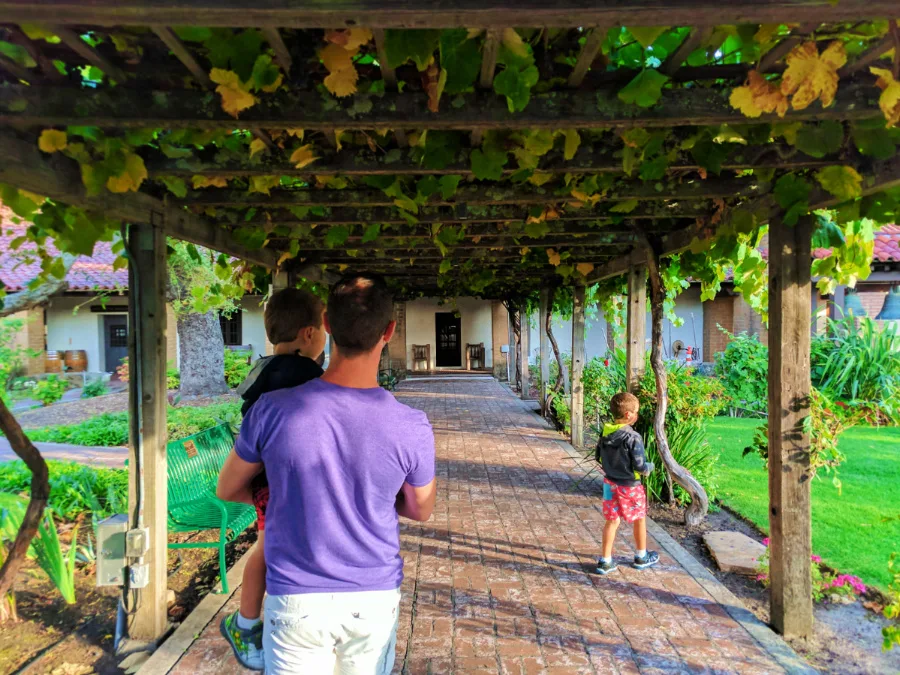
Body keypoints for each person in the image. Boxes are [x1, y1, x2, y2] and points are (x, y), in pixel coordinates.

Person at [217, 273, 437, 675]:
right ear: (389, 331)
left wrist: (289, 493)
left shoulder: (271, 409)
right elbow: (420, 509)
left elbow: (228, 487)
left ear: (329, 327)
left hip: (294, 599)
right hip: (371, 598)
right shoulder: (412, 425)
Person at [217, 287, 328, 671]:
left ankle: (248, 621)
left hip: (263, 477)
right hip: (282, 481)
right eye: (323, 329)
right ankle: (244, 624)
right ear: (310, 334)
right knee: (267, 551)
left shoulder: (264, 369)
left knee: (266, 549)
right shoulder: (305, 375)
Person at [594, 392, 660, 575]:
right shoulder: (633, 437)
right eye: (636, 411)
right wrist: (650, 467)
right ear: (628, 415)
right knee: (639, 518)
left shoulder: (605, 432)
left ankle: (605, 561)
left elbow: (597, 456)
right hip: (630, 486)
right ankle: (641, 556)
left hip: (609, 484)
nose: (637, 414)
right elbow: (639, 465)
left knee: (611, 521)